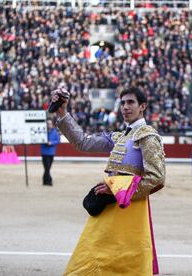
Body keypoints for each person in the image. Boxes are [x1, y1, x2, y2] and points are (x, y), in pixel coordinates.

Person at [52, 87, 165, 275]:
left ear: (142, 106)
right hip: (110, 207)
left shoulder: (148, 136)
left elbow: (157, 178)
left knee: (121, 260)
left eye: (131, 102)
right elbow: (83, 142)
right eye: (123, 103)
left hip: (130, 211)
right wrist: (62, 112)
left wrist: (117, 190)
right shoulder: (120, 137)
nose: (125, 107)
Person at [40, 119, 60, 186]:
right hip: (44, 152)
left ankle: (45, 181)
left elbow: (57, 141)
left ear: (52, 124)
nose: (48, 125)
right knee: (47, 168)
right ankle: (49, 181)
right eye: (47, 123)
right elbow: (40, 140)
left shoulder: (54, 132)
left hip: (51, 153)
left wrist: (51, 143)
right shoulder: (43, 132)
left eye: (50, 123)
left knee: (47, 168)